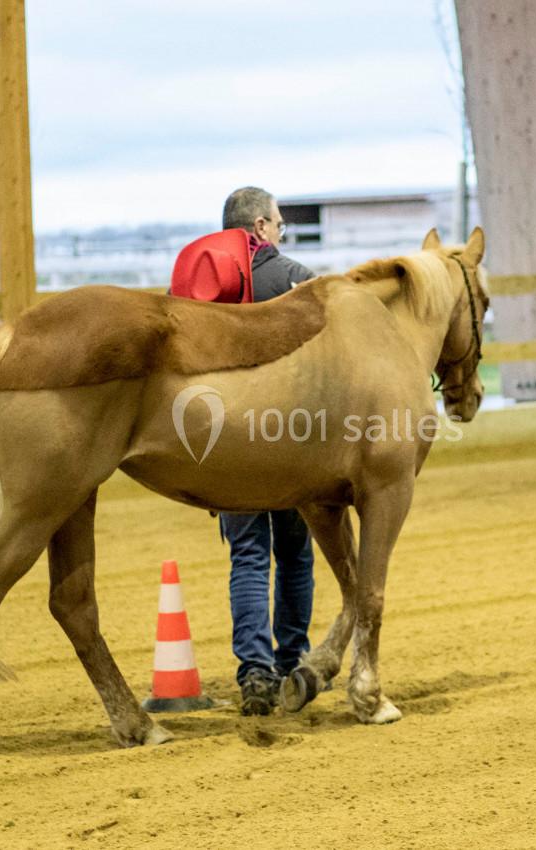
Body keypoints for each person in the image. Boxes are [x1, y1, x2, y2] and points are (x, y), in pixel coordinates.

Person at [218, 186, 317, 715]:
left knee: (248, 554)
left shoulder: (208, 288)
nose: (281, 232)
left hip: (231, 441)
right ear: (259, 227)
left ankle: (253, 673)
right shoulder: (296, 278)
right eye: (278, 224)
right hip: (292, 438)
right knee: (295, 553)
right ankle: (290, 662)